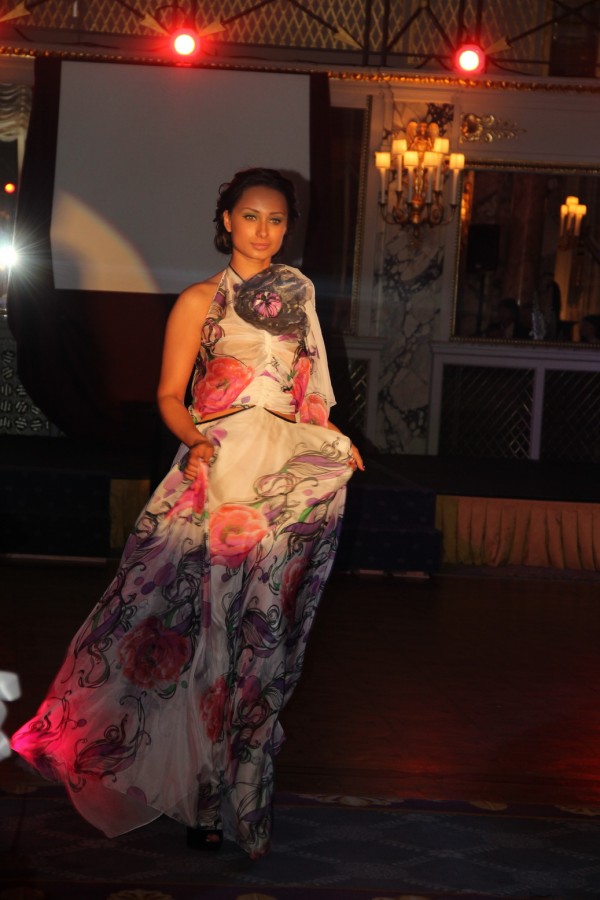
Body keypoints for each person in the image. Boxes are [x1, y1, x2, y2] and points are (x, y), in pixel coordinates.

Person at [11, 167, 363, 859]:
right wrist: (197, 441)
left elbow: (311, 396)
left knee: (267, 638)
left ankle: (249, 790)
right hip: (220, 472)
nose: (264, 230)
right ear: (226, 220)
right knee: (211, 640)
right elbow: (171, 396)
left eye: (276, 220)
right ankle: (204, 795)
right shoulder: (200, 300)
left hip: (283, 481)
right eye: (251, 216)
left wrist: (330, 443)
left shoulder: (299, 298)